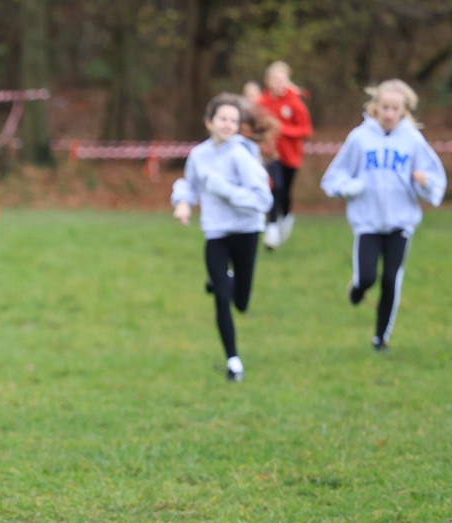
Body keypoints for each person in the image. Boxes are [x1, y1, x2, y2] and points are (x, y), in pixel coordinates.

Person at [320, 79, 446, 352]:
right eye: (384, 107)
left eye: (395, 108)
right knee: (367, 277)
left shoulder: (413, 140)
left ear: (404, 110)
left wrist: (424, 182)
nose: (389, 113)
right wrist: (351, 187)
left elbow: (435, 182)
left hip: (401, 221)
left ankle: (380, 337)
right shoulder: (359, 138)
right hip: (368, 222)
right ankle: (358, 288)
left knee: (391, 277)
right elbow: (333, 178)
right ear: (375, 107)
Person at [171, 93, 274, 382]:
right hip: (215, 232)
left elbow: (263, 200)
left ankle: (223, 280)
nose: (228, 124)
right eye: (222, 119)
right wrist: (182, 203)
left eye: (233, 120)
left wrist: (224, 189)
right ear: (209, 123)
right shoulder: (199, 155)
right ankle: (233, 362)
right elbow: (188, 184)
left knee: (240, 302)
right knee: (221, 297)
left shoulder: (243, 155)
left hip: (246, 231)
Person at [257, 61, 313, 250]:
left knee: (285, 192)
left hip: (291, 156)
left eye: (283, 80)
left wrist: (283, 130)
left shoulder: (295, 103)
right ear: (267, 81)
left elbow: (306, 130)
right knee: (275, 187)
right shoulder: (261, 103)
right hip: (270, 155)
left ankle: (286, 216)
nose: (280, 83)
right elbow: (254, 126)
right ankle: (271, 228)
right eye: (276, 79)